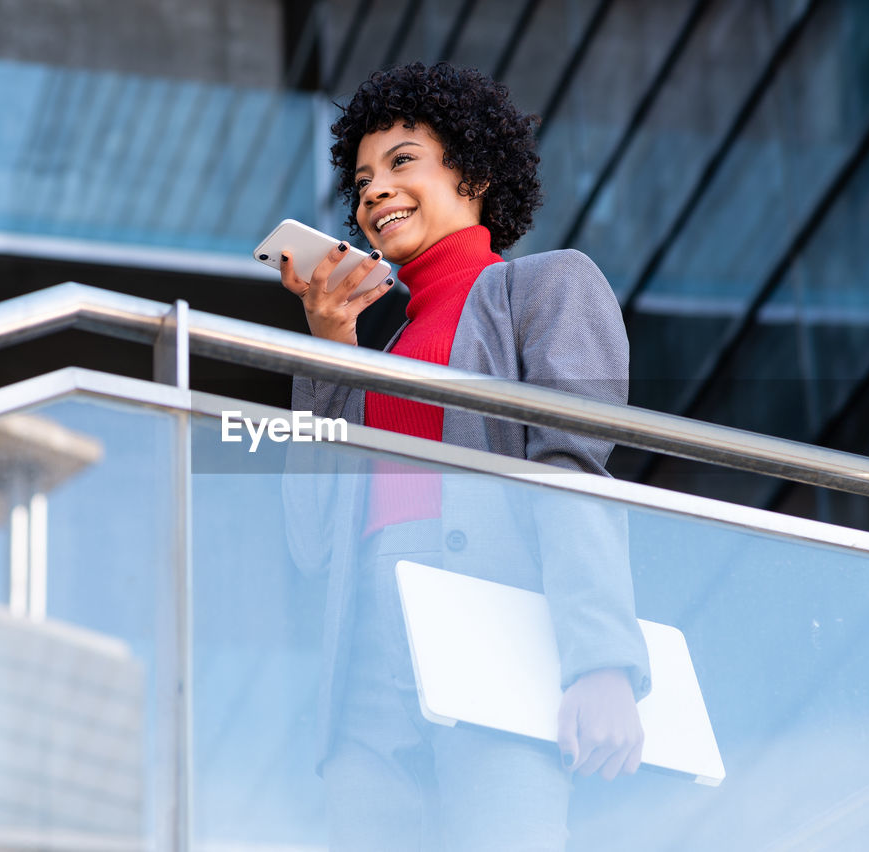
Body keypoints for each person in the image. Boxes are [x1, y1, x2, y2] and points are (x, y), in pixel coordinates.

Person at [279, 61, 650, 851]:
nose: (374, 190)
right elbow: (309, 545)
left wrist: (603, 662)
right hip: (366, 676)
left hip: (499, 631)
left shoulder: (547, 287)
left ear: (475, 174)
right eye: (362, 179)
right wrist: (330, 351)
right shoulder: (372, 359)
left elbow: (571, 469)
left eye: (402, 161)